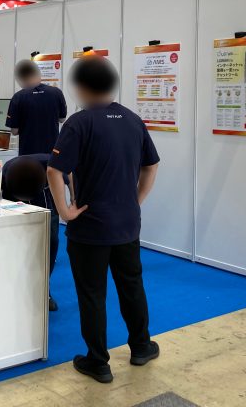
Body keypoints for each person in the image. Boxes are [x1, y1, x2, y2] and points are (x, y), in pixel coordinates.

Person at [47, 56, 160, 384]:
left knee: (92, 294)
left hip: (89, 228)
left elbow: (54, 170)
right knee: (131, 285)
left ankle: (98, 361)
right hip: (126, 224)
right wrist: (135, 200)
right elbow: (151, 165)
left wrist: (64, 211)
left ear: (82, 87)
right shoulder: (133, 120)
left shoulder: (79, 123)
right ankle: (141, 346)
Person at [2, 154, 69, 311]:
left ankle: (44, 290)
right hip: (16, 199)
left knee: (51, 243)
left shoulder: (53, 166)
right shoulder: (6, 172)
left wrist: (73, 197)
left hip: (45, 201)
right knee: (16, 245)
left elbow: (70, 176)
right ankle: (13, 288)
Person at [6, 60, 67, 155]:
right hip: (51, 154)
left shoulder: (18, 97)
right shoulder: (56, 92)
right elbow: (62, 119)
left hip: (28, 154)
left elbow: (14, 131)